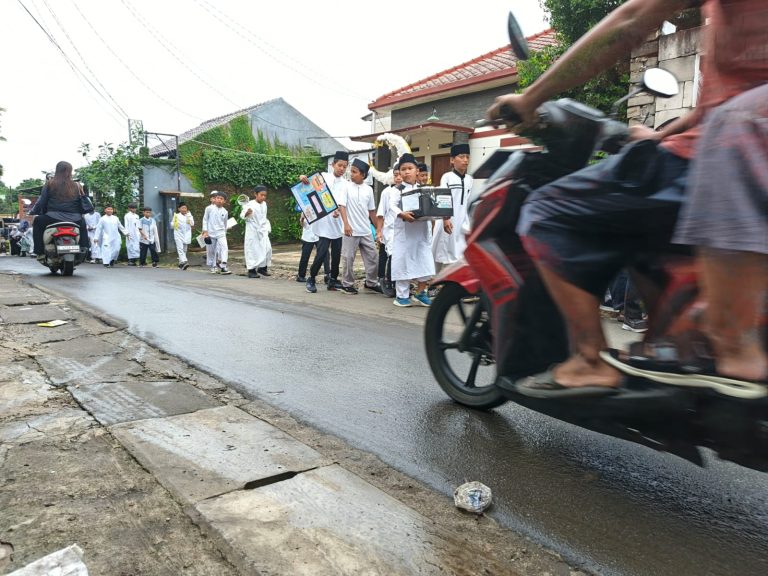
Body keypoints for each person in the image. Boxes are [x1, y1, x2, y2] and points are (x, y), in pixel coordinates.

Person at [486, 0, 768, 398]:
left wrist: (530, 98)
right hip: (724, 152)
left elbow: (632, 18)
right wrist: (661, 136)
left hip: (723, 157)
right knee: (634, 213)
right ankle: (663, 339)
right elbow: (719, 105)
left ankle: (589, 360)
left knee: (547, 210)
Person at [388, 153, 434, 307]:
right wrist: (402, 214)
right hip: (404, 233)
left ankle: (421, 293)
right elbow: (392, 206)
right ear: (399, 172)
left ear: (417, 171)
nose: (407, 172)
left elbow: (433, 206)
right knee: (403, 262)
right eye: (403, 169)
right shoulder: (397, 190)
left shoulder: (424, 189)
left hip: (421, 233)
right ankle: (401, 296)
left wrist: (444, 217)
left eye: (410, 168)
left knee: (424, 261)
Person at [300, 151, 348, 293]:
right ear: (333, 164)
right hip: (323, 224)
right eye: (339, 165)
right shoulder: (322, 177)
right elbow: (306, 185)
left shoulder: (346, 184)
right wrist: (302, 177)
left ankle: (332, 280)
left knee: (336, 255)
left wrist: (339, 211)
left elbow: (343, 203)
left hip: (337, 223)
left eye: (345, 167)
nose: (342, 169)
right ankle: (311, 278)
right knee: (321, 254)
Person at [337, 158, 381, 295]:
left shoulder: (368, 190)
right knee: (348, 258)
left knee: (373, 257)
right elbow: (342, 206)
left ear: (363, 175)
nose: (351, 174)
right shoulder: (346, 187)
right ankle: (347, 284)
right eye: (352, 171)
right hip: (350, 230)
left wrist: (379, 229)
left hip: (366, 230)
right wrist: (346, 224)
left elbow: (372, 212)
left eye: (355, 172)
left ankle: (371, 283)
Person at [29, 160, 89, 259]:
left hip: (52, 218)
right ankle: (84, 248)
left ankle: (38, 251)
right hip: (75, 219)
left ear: (57, 170)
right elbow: (81, 202)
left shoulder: (50, 184)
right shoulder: (77, 185)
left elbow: (42, 202)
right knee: (83, 224)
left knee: (38, 221)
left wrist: (34, 212)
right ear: (70, 171)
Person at [432, 143, 473, 271]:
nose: (465, 160)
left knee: (460, 252)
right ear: (452, 160)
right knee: (440, 251)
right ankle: (432, 282)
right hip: (448, 220)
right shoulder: (447, 177)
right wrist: (445, 218)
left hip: (462, 222)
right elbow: (443, 197)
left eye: (467, 157)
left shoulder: (470, 179)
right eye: (461, 157)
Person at [375, 163, 401, 298]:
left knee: (397, 256)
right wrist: (379, 231)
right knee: (389, 255)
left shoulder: (409, 190)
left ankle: (397, 282)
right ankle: (387, 281)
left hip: (403, 230)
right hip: (389, 229)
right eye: (395, 175)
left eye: (400, 175)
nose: (398, 178)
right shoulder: (387, 192)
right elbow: (381, 213)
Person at [241, 185, 272, 278]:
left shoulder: (264, 204)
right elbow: (242, 215)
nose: (263, 197)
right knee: (252, 250)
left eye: (265, 195)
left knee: (267, 248)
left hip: (263, 230)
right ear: (255, 194)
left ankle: (262, 268)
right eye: (261, 195)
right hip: (252, 231)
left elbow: (263, 217)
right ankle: (251, 270)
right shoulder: (249, 204)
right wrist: (247, 213)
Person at [201, 190, 232, 275]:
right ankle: (213, 266)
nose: (219, 200)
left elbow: (225, 223)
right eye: (218, 198)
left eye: (221, 199)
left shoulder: (225, 211)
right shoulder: (209, 208)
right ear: (215, 199)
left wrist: (225, 231)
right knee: (211, 251)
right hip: (210, 233)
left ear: (224, 201)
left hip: (221, 233)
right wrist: (205, 231)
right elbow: (205, 219)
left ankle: (223, 265)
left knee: (224, 247)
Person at [296, 214, 329, 283]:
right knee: (305, 256)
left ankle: (327, 275)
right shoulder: (305, 209)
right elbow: (302, 224)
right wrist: (302, 219)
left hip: (319, 235)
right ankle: (301, 276)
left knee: (325, 254)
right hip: (308, 236)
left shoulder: (320, 209)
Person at [172, 202, 194, 270]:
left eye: (185, 208)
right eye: (182, 208)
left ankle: (181, 264)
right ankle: (184, 261)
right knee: (180, 249)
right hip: (178, 234)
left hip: (186, 235)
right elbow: (172, 224)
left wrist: (189, 217)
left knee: (184, 249)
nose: (184, 209)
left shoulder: (189, 215)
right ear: (179, 209)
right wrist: (175, 224)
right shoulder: (176, 216)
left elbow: (192, 224)